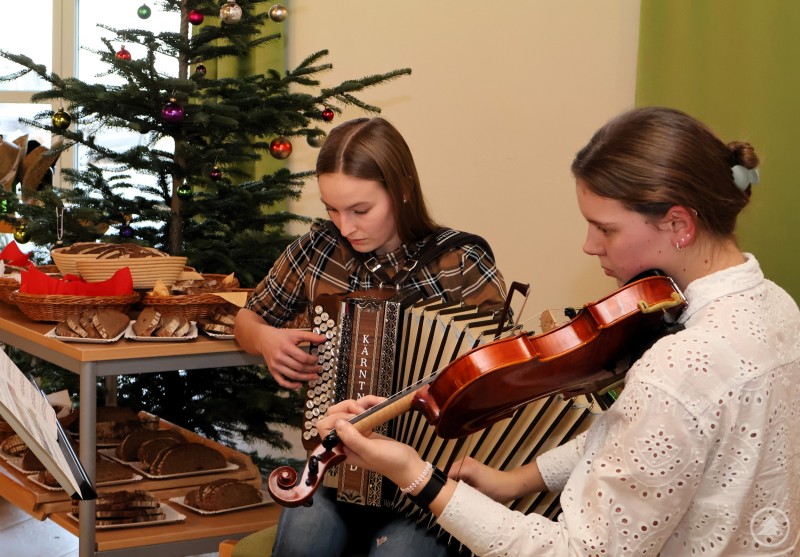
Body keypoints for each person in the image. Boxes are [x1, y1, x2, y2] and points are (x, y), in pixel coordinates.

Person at [318, 106, 800, 556]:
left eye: (604, 229)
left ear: (679, 224)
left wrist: (416, 475)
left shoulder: (679, 367)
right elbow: (634, 439)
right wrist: (519, 480)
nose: (589, 246)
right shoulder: (777, 305)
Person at [234, 116, 508, 556]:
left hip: (428, 483)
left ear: (401, 190)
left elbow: (503, 378)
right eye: (331, 209)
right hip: (338, 472)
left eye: (360, 210)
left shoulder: (459, 263)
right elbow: (247, 320)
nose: (345, 226)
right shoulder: (317, 250)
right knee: (301, 543)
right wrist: (267, 340)